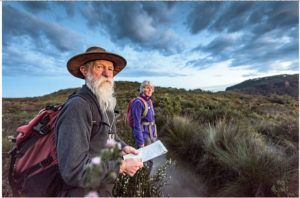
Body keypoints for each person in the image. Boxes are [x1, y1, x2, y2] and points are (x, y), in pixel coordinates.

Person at [54, 47, 143, 197]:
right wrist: (120, 166)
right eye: (100, 67)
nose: (107, 74)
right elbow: (73, 171)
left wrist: (122, 147)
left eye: (110, 68)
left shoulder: (104, 102)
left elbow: (107, 136)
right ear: (84, 70)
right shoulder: (78, 107)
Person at [132, 80, 157, 149]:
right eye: (147, 88)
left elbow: (152, 120)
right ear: (142, 89)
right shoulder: (138, 103)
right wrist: (140, 142)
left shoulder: (149, 101)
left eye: (151, 88)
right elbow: (136, 124)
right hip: (144, 137)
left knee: (151, 156)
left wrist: (155, 134)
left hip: (152, 135)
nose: (150, 90)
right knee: (144, 158)